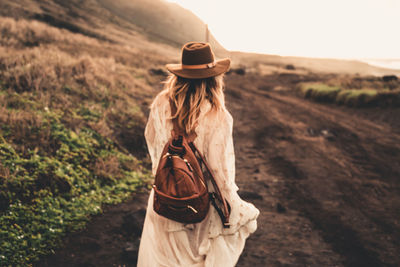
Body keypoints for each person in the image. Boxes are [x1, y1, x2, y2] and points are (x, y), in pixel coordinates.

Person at [137, 42, 260, 267]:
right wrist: (232, 205)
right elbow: (219, 171)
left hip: (165, 198)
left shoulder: (161, 103)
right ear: (214, 78)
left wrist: (170, 177)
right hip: (199, 207)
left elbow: (154, 147)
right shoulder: (218, 115)